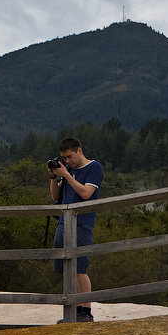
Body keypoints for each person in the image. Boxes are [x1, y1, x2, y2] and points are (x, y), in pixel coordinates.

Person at [47, 137, 103, 322]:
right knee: (67, 268)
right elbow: (55, 196)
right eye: (64, 158)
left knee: (79, 268)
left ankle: (85, 312)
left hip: (82, 223)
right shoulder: (68, 170)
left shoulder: (94, 168)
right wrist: (54, 178)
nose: (67, 161)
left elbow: (86, 193)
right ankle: (73, 311)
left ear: (79, 150)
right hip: (64, 222)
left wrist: (67, 175)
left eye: (69, 156)